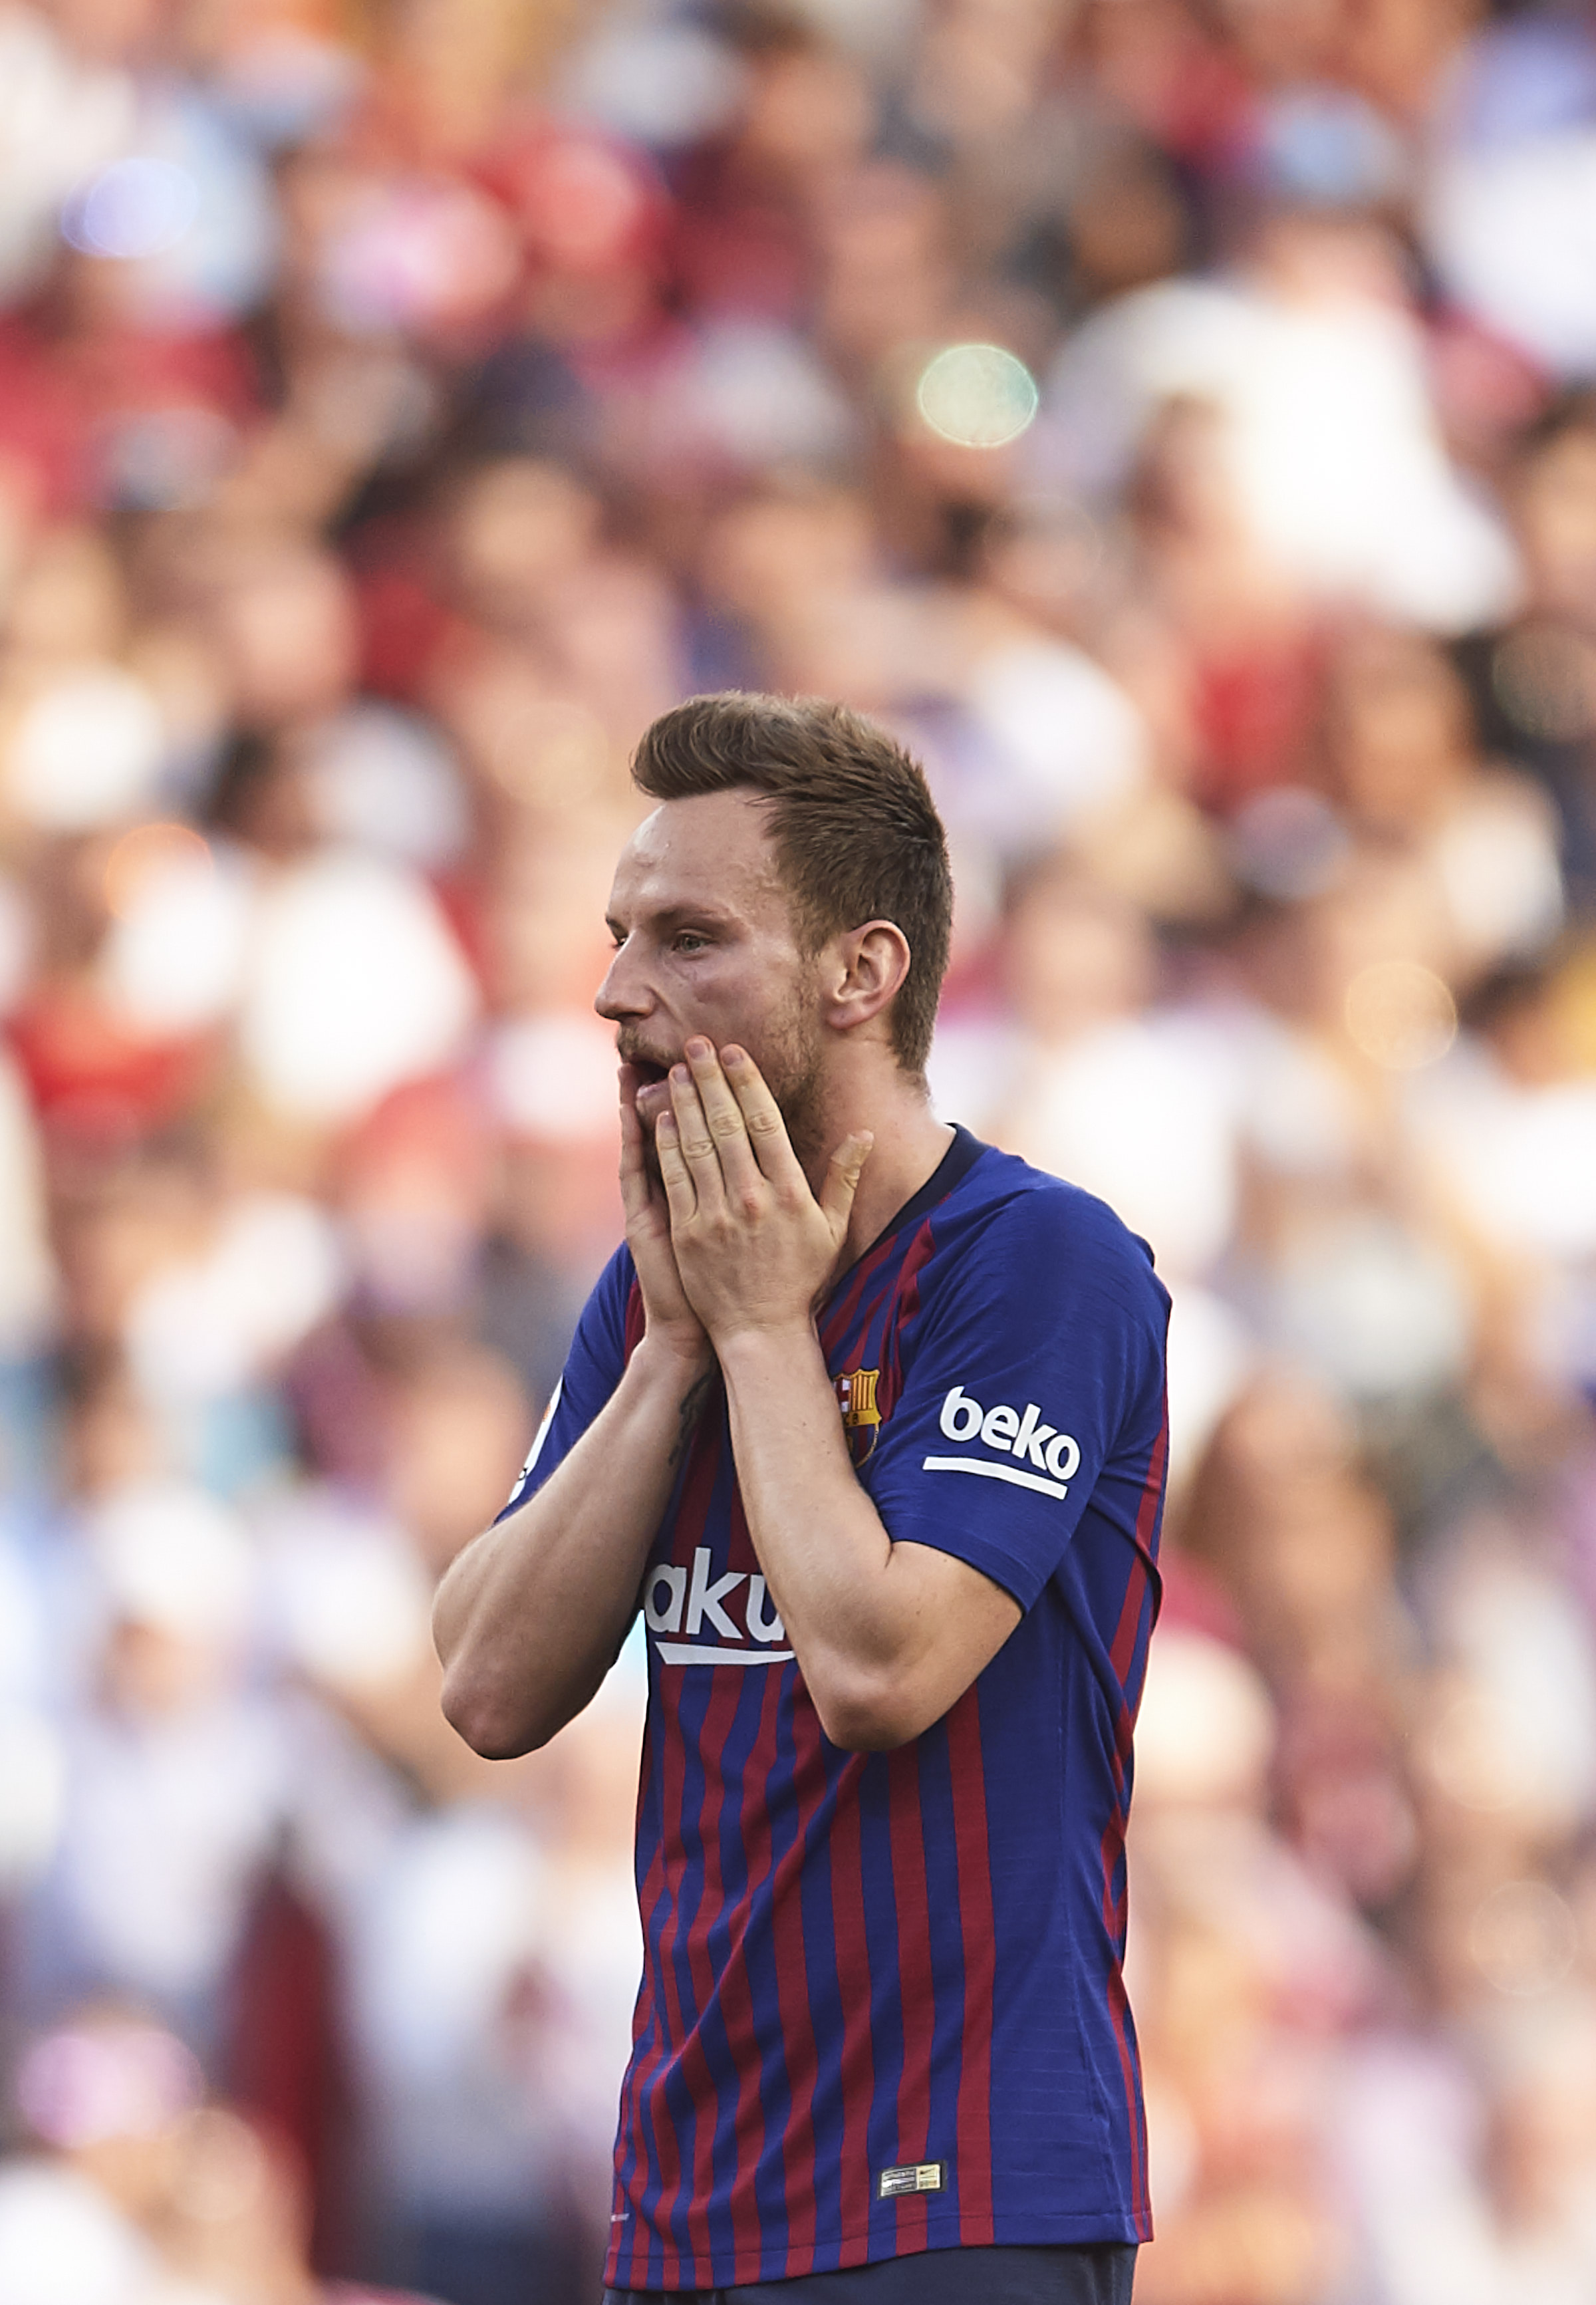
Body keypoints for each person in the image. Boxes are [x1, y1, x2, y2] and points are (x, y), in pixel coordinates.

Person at [430, 694, 1170, 2304]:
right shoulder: (659, 1295)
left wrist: (763, 1330)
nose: (619, 992)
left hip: (952, 2195)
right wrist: (674, 1352)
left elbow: (878, 1667)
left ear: (861, 970)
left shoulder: (1036, 1263)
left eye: (690, 939)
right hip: (693, 2191)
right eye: (620, 934)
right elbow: (484, 1682)